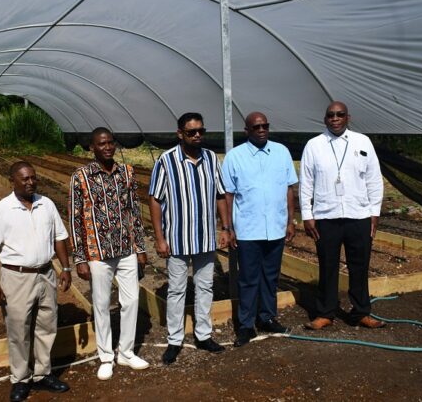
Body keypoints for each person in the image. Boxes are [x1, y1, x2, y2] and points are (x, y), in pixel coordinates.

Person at [0, 161, 72, 402]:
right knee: (18, 330)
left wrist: (66, 267)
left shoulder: (46, 204)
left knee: (46, 325)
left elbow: (60, 237)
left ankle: (43, 374)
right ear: (13, 181)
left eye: (33, 178)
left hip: (46, 273)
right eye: (25, 179)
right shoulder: (1, 210)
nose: (31, 182)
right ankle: (20, 379)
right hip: (16, 277)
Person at [149, 112, 232, 364]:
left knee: (205, 286)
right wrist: (160, 237)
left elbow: (220, 194)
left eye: (200, 131)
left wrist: (226, 227)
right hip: (177, 238)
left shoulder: (210, 159)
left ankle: (203, 335)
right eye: (191, 132)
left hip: (205, 237)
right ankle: (175, 340)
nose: (197, 136)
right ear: (180, 134)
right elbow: (154, 199)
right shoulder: (166, 160)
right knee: (176, 289)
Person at [68, 127, 150, 380]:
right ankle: (106, 356)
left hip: (126, 249)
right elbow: (74, 218)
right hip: (97, 252)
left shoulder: (126, 172)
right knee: (102, 305)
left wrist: (140, 248)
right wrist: (80, 258)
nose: (107, 147)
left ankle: (126, 352)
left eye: (110, 143)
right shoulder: (81, 177)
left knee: (131, 301)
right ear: (92, 147)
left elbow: (133, 212)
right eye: (101, 144)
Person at [299, 101, 386, 330]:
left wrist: (374, 213)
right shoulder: (314, 145)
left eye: (340, 114)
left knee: (360, 265)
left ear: (348, 117)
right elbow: (306, 183)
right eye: (330, 115)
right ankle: (325, 312)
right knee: (327, 266)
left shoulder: (362, 142)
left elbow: (374, 179)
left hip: (359, 215)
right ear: (325, 119)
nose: (335, 118)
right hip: (326, 217)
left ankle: (361, 312)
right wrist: (307, 215)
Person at [222, 112, 298, 347]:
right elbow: (228, 194)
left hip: (275, 227)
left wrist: (290, 221)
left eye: (265, 126)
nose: (262, 130)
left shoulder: (281, 152)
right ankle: (246, 325)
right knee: (248, 278)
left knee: (270, 276)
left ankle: (267, 317)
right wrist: (229, 228)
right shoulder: (235, 157)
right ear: (247, 131)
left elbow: (288, 189)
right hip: (248, 230)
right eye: (256, 127)